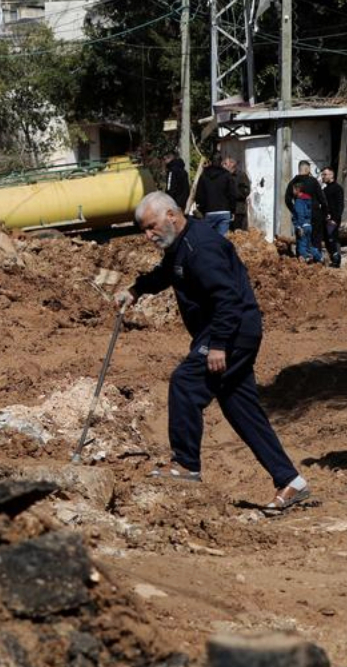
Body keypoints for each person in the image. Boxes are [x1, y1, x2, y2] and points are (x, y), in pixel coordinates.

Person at [116, 192, 310, 511]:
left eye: (151, 227)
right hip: (228, 329)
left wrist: (218, 344)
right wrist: (136, 290)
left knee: (186, 383)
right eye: (143, 230)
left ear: (171, 216)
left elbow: (228, 298)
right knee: (239, 407)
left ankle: (186, 464)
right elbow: (168, 273)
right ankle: (290, 481)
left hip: (232, 331)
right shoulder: (181, 243)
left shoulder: (201, 247)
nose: (148, 236)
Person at [284, 161, 327, 263]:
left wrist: (294, 211)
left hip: (300, 219)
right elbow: (323, 199)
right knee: (315, 240)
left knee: (301, 241)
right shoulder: (313, 181)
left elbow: (287, 199)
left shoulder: (293, 183)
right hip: (315, 216)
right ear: (307, 169)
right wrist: (324, 214)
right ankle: (317, 260)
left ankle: (303, 261)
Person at [192, 153, 237, 236]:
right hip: (225, 211)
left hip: (209, 211)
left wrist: (202, 209)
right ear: (221, 162)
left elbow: (199, 195)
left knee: (209, 238)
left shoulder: (204, 176)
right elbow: (232, 194)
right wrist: (232, 210)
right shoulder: (227, 175)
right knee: (222, 239)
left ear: (211, 162)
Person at [321, 167, 344, 268]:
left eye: (325, 174)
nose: (323, 176)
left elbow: (340, 205)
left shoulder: (337, 188)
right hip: (326, 219)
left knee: (332, 239)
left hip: (333, 220)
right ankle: (333, 259)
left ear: (331, 175)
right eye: (323, 174)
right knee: (328, 239)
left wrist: (335, 219)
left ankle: (336, 261)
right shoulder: (325, 189)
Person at [223, 157, 250, 231]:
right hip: (228, 210)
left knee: (239, 233)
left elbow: (246, 191)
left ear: (232, 164)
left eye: (225, 164)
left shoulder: (241, 175)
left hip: (239, 210)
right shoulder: (225, 176)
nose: (223, 166)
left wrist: (233, 194)